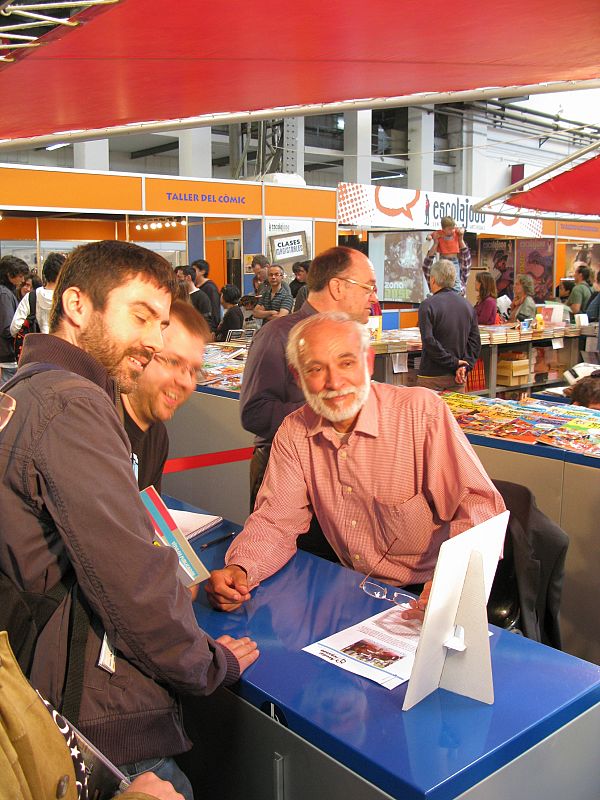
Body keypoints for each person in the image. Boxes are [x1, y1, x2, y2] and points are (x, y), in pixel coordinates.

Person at [0, 240, 259, 799]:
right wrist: (207, 664)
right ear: (77, 305)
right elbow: (132, 583)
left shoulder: (26, 392)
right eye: (139, 315)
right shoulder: (72, 405)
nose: (151, 339)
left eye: (161, 324)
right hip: (88, 716)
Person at [207, 312, 505, 618]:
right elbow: (276, 521)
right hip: (351, 590)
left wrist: (450, 583)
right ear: (297, 377)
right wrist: (241, 569)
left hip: (422, 593)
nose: (334, 382)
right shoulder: (295, 432)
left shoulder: (420, 413)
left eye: (346, 363)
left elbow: (480, 507)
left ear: (368, 361)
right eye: (316, 369)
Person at [240, 245, 378, 515]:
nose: (374, 297)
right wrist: (332, 411)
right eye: (368, 287)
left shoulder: (355, 336)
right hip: (285, 477)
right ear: (338, 287)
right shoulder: (277, 335)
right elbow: (254, 414)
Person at [122, 300, 210, 491]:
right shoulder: (98, 429)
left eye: (194, 371)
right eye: (172, 362)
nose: (185, 382)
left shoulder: (157, 435)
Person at [417, 259, 481, 393]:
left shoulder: (427, 305)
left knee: (429, 414)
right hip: (457, 377)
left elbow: (429, 341)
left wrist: (454, 362)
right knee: (455, 414)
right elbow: (474, 343)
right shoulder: (468, 306)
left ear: (433, 280)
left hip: (431, 377)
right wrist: (463, 366)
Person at [10, 251, 66, 337]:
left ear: (45, 274)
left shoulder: (31, 297)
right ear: (63, 274)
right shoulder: (68, 298)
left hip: (36, 349)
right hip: (62, 348)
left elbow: (14, 328)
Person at [0, 255, 30, 386]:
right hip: (7, 355)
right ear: (9, 274)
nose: (22, 280)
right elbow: (7, 328)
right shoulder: (5, 294)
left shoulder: (7, 292)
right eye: (20, 276)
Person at [424, 220, 470, 295]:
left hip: (453, 260)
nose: (452, 231)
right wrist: (434, 242)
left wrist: (461, 237)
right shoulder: (439, 233)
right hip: (443, 259)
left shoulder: (456, 233)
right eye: (449, 229)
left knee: (456, 281)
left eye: (453, 228)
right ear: (443, 229)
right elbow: (427, 266)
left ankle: (456, 291)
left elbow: (466, 260)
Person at [181, 265, 214, 330]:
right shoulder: (180, 295)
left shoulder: (202, 297)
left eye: (179, 277)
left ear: (188, 278)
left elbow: (207, 321)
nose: (177, 280)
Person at [190, 258, 221, 327]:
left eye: (194, 270)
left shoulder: (210, 288)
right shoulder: (194, 286)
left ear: (203, 271)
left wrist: (213, 328)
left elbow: (214, 309)